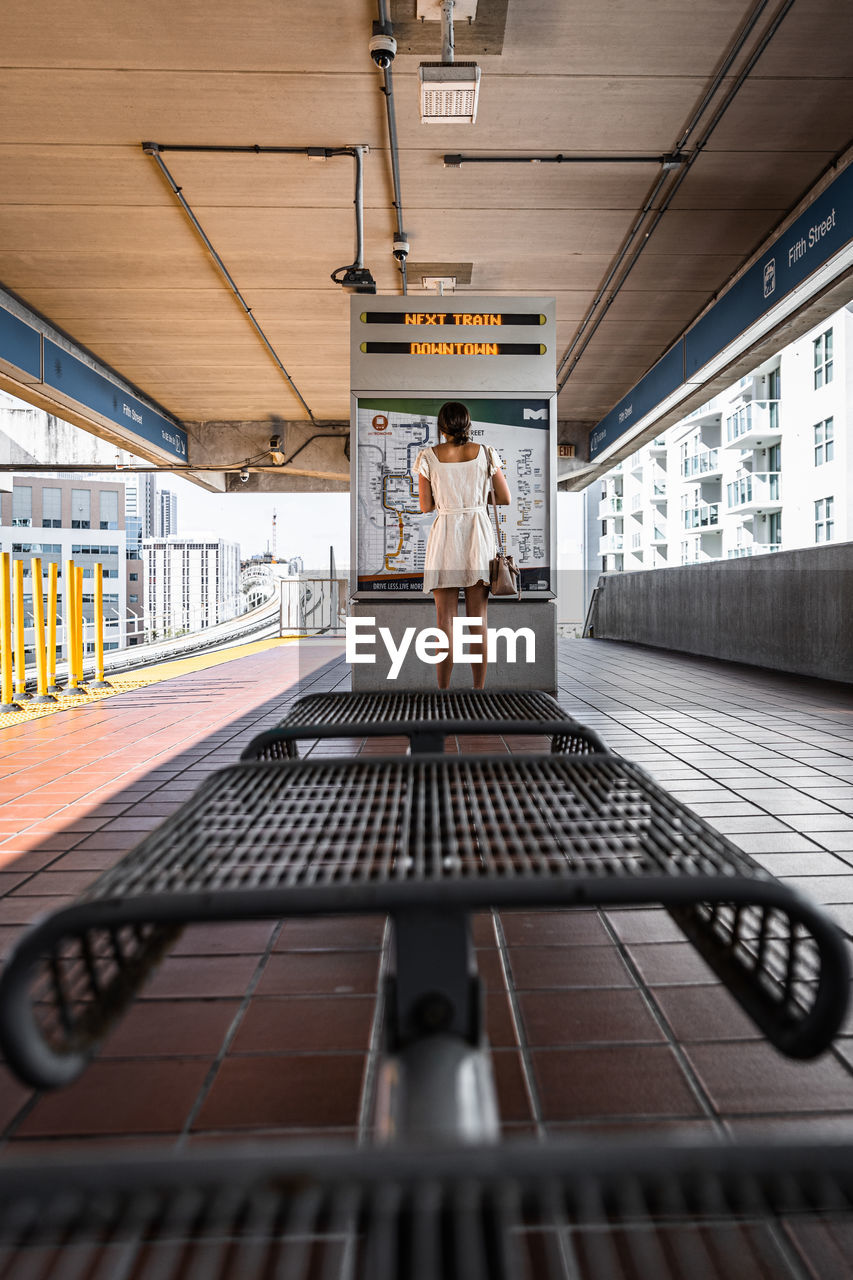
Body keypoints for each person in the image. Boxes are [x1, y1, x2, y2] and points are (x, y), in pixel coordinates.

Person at [413, 401, 511, 689]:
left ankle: (443, 692)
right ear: (467, 425)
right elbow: (504, 497)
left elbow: (425, 506)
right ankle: (477, 691)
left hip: (445, 537)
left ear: (442, 427)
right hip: (477, 536)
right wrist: (477, 500)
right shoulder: (486, 453)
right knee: (478, 621)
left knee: (444, 622)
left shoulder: (428, 457)